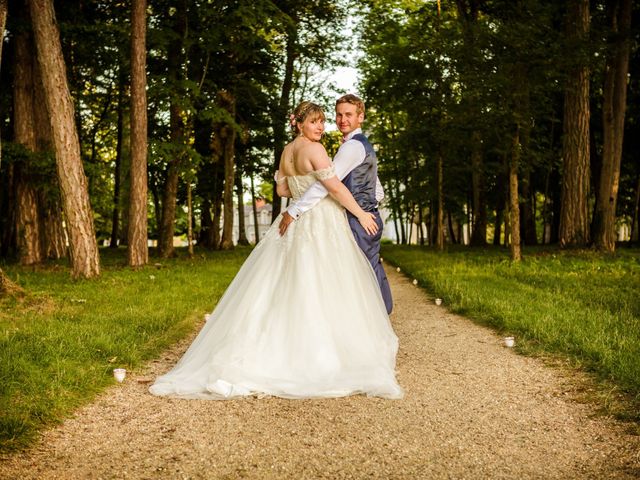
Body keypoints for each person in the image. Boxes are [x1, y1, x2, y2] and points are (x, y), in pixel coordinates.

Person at [149, 101, 403, 400]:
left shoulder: (287, 151)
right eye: (315, 122)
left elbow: (282, 190)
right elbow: (333, 187)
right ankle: (320, 355)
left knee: (281, 285)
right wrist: (360, 213)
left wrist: (294, 193)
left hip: (294, 226)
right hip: (318, 221)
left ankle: (265, 347)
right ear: (300, 124)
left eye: (322, 121)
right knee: (323, 285)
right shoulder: (315, 150)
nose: (321, 127)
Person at [279, 94, 393, 314]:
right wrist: (371, 204)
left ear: (361, 117)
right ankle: (373, 319)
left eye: (348, 115)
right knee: (358, 272)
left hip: (357, 216)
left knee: (362, 273)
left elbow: (328, 186)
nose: (342, 120)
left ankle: (378, 318)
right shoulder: (359, 145)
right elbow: (375, 185)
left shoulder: (351, 147)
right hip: (353, 214)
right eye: (339, 114)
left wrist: (364, 211)